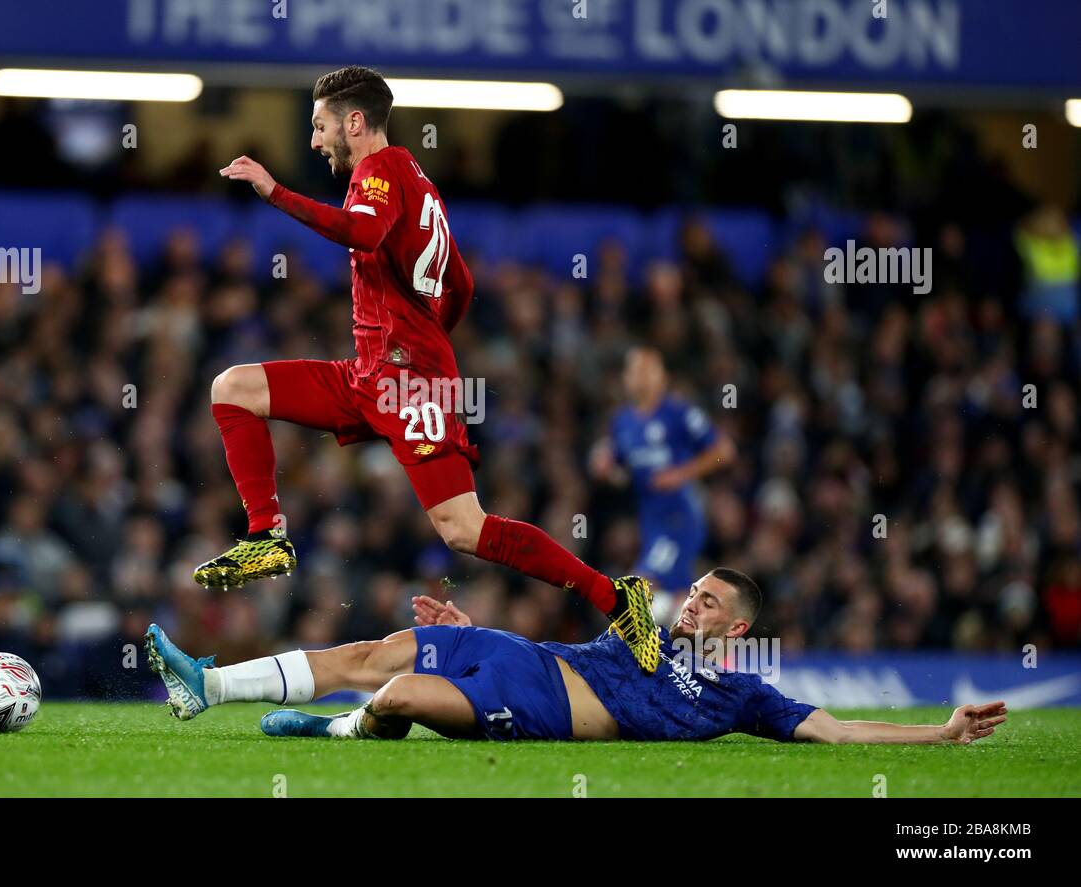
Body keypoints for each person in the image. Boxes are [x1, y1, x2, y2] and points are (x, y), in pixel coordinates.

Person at [205, 65, 653, 667]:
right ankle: (266, 537)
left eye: (319, 126)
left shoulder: (381, 170)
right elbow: (460, 282)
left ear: (354, 122)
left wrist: (274, 192)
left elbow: (363, 233)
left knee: (463, 529)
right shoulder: (416, 179)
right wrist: (426, 334)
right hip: (373, 372)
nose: (314, 141)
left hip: (408, 383)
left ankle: (615, 596)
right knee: (234, 388)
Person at [145, 567, 1008, 745]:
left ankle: (338, 732)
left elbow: (835, 728)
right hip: (517, 649)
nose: (695, 601)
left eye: (712, 600)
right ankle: (206, 685)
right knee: (375, 649)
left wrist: (939, 734)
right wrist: (472, 621)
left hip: (547, 711)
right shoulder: (648, 629)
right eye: (696, 589)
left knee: (403, 696)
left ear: (737, 628)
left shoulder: (744, 696)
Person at [591, 347, 734, 614]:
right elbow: (621, 475)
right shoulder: (622, 423)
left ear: (662, 377)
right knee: (676, 599)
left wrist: (681, 473)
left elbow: (724, 452)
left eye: (647, 370)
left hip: (679, 517)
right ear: (626, 378)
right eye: (634, 370)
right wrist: (604, 468)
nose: (641, 377)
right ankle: (708, 650)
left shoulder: (679, 413)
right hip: (651, 522)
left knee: (638, 592)